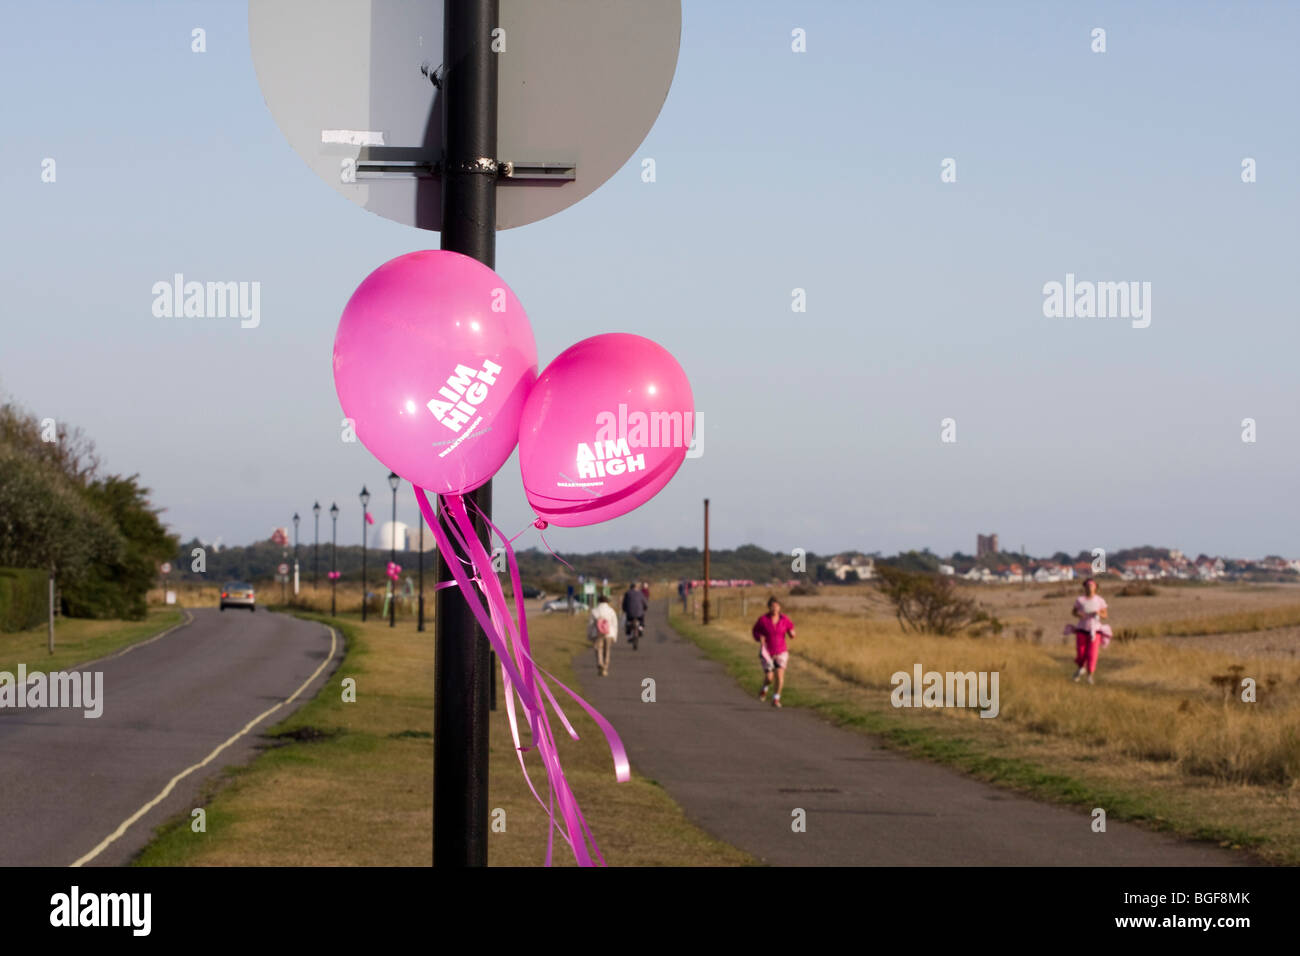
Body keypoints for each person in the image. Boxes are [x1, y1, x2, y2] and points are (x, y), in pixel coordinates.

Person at [1064, 577, 1112, 684]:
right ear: (1084, 587)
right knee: (1081, 653)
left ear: (1095, 587)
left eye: (1092, 585)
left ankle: (1090, 675)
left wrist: (1098, 613)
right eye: (1088, 585)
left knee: (1092, 654)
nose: (1090, 587)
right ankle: (1081, 668)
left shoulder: (1100, 600)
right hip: (1082, 629)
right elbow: (1074, 612)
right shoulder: (1080, 600)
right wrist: (1079, 614)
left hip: (1095, 631)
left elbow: (1105, 615)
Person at [752, 596, 796, 707]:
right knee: (769, 677)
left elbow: (791, 629)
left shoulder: (784, 619)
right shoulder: (763, 620)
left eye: (777, 606)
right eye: (773, 606)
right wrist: (759, 637)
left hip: (781, 651)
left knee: (780, 676)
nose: (775, 609)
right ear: (769, 607)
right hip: (767, 652)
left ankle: (776, 699)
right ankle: (764, 688)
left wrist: (792, 633)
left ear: (780, 607)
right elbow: (755, 631)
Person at [588, 594, 619, 677]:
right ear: (607, 602)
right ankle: (605, 667)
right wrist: (615, 636)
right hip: (609, 633)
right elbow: (614, 624)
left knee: (599, 650)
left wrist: (590, 635)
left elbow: (590, 624)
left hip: (597, 633)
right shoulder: (611, 610)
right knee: (607, 650)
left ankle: (600, 663)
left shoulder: (594, 610)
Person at [622, 583, 648, 650]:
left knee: (628, 622)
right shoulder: (640, 593)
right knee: (642, 619)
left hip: (630, 613)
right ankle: (641, 628)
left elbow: (624, 603)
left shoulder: (627, 593)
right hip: (639, 612)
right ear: (636, 587)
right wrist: (645, 608)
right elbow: (644, 602)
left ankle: (628, 635)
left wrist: (624, 609)